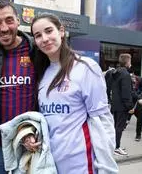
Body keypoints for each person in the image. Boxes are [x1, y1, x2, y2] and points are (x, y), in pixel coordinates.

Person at [31, 13, 118, 173]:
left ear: (61, 31)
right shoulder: (43, 73)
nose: (44, 38)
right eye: (38, 35)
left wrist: (105, 166)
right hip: (50, 163)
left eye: (49, 31)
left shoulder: (85, 67)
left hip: (81, 162)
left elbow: (102, 120)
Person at [0, 0, 38, 174]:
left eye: (9, 20)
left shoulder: (36, 49)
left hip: (29, 142)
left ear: (18, 21)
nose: (4, 28)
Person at [108, 53, 133, 155]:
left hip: (114, 104)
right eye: (130, 61)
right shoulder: (125, 74)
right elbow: (126, 93)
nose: (130, 63)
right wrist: (130, 106)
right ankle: (116, 147)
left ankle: (114, 146)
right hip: (122, 106)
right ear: (127, 62)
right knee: (119, 128)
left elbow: (108, 88)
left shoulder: (114, 73)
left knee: (115, 127)